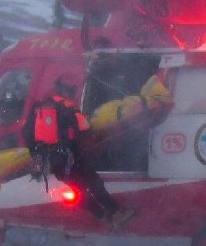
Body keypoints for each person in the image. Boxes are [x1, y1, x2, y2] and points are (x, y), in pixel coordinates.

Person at [23, 75, 136, 228]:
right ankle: (115, 211)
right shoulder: (68, 108)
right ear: (69, 92)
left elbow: (27, 134)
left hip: (51, 162)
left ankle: (100, 214)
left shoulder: (39, 109)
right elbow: (85, 130)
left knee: (78, 190)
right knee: (94, 182)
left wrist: (39, 156)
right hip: (71, 159)